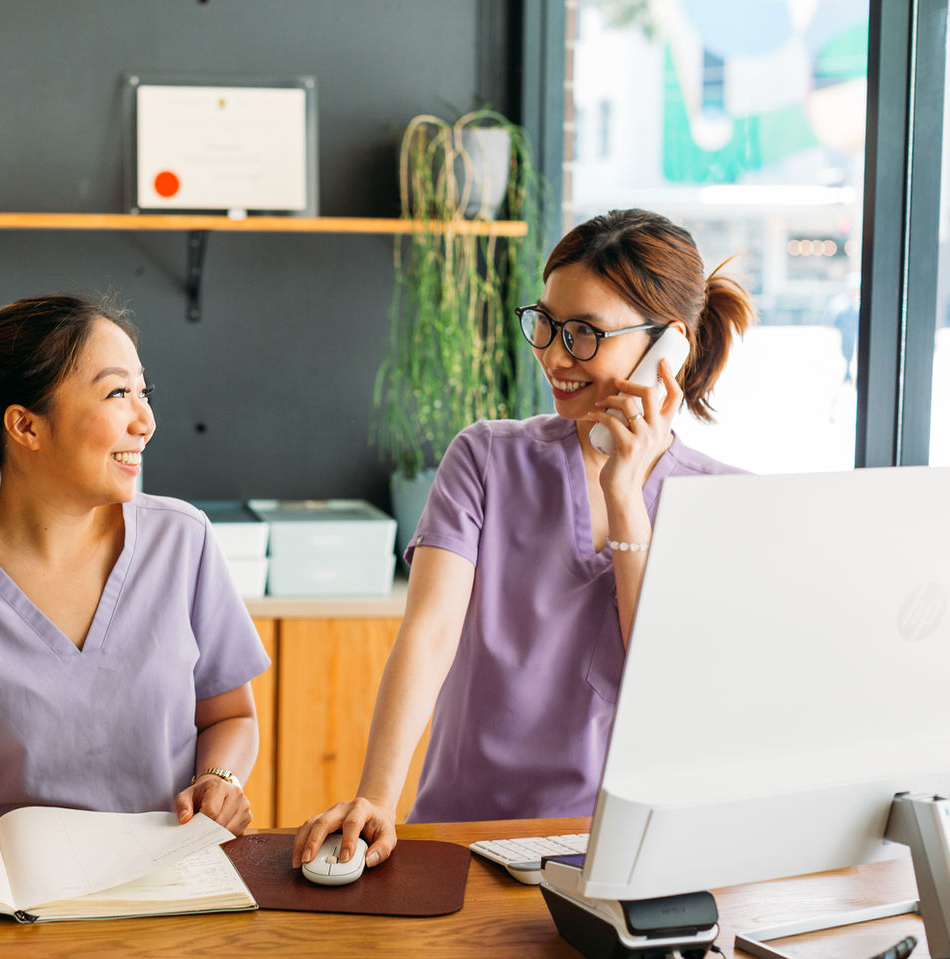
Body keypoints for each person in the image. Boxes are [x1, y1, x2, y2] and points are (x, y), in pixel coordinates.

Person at [294, 209, 757, 869]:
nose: (554, 355)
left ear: (668, 347)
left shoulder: (722, 499)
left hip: (622, 852)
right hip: (463, 834)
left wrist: (626, 499)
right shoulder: (486, 457)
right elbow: (428, 634)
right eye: (545, 322)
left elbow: (666, 684)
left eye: (585, 334)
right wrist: (375, 794)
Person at [0, 294, 269, 838]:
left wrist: (219, 777)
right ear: (26, 427)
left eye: (144, 392)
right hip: (9, 906)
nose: (146, 421)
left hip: (168, 890)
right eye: (118, 393)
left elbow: (232, 715)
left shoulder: (184, 540)